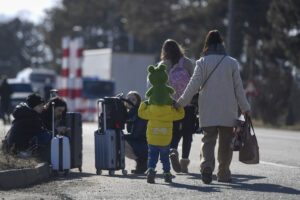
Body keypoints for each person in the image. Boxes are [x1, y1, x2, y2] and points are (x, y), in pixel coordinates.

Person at [175, 30, 250, 184]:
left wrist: (181, 103)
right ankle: (223, 174)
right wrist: (245, 107)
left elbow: (193, 85)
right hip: (228, 110)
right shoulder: (232, 62)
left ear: (207, 45)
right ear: (221, 44)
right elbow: (239, 88)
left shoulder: (202, 63)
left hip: (208, 108)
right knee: (225, 143)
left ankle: (206, 167)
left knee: (208, 140)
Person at [138, 64, 185, 183]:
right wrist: (177, 106)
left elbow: (140, 113)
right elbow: (181, 115)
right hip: (165, 139)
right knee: (165, 158)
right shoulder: (170, 111)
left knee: (152, 157)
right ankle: (167, 173)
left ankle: (151, 170)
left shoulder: (150, 110)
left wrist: (144, 103)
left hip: (152, 139)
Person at [159, 39, 196, 173]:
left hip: (171, 104)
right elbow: (195, 81)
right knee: (187, 134)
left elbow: (159, 85)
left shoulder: (163, 65)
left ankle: (173, 150)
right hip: (188, 103)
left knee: (174, 132)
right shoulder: (186, 63)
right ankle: (184, 162)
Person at [124, 91, 148, 174]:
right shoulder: (131, 113)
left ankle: (143, 162)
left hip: (145, 144)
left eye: (133, 99)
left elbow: (135, 135)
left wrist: (120, 135)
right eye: (128, 99)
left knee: (119, 141)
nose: (130, 101)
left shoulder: (139, 113)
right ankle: (141, 164)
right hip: (140, 142)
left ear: (137, 102)